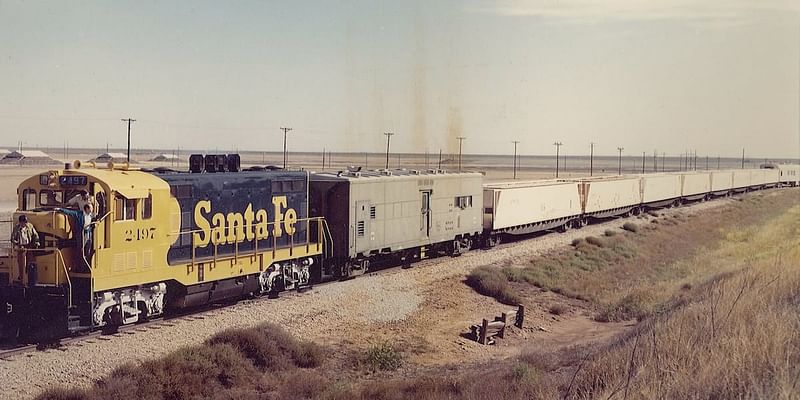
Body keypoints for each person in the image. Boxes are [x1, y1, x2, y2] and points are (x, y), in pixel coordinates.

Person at [57, 204, 94, 270]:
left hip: (88, 234)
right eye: (91, 208)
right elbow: (70, 212)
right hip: (81, 234)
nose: (92, 210)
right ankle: (79, 266)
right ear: (87, 209)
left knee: (88, 249)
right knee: (80, 249)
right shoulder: (79, 214)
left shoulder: (91, 215)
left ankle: (86, 264)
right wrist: (60, 209)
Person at [10, 215, 39, 283]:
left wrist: (36, 243)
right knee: (21, 264)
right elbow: (12, 238)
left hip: (29, 246)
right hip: (21, 247)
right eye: (24, 222)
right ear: (20, 222)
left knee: (30, 263)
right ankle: (22, 279)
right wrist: (17, 244)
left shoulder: (30, 226)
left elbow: (35, 235)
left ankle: (30, 279)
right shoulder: (16, 228)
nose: (25, 224)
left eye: (26, 222)